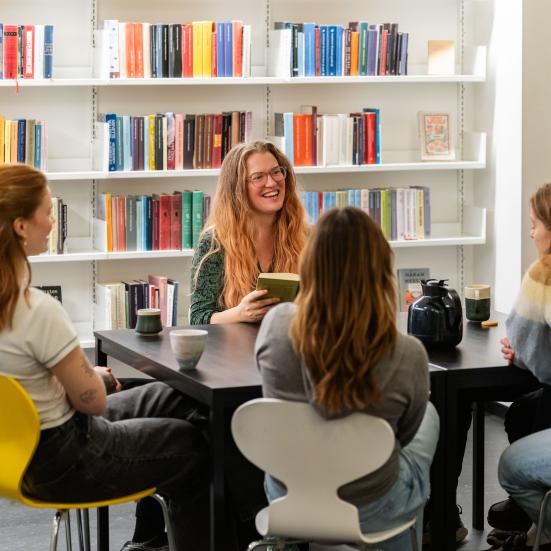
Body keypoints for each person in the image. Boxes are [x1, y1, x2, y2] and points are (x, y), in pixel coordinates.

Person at [0, 164, 210, 551]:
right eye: (47, 213)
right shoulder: (37, 310)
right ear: (20, 227)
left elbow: (24, 385)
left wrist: (72, 375)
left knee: (180, 397)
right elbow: (93, 402)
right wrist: (87, 377)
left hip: (20, 456)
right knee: (193, 444)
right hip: (68, 456)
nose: (52, 223)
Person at [255, 206, 440, 550]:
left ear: (309, 264)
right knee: (428, 412)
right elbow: (404, 433)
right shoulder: (407, 353)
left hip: (287, 494)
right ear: (381, 268)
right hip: (372, 506)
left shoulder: (276, 325)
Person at [190, 140, 308, 325]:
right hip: (232, 350)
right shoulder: (215, 242)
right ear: (237, 189)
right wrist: (239, 314)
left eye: (276, 172)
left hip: (291, 346)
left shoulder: (306, 236)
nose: (272, 182)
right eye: (258, 177)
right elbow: (197, 318)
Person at [493, 183, 551, 551]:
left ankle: (541, 532)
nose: (531, 233)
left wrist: (523, 353)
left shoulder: (544, 274)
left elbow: (524, 337)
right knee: (522, 411)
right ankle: (533, 524)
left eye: (534, 224)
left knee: (510, 465)